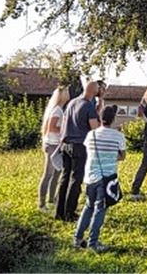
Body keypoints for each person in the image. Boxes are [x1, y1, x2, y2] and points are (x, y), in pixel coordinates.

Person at [74, 105, 126, 253]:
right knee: (100, 210)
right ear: (113, 119)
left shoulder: (91, 135)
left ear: (100, 118)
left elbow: (89, 151)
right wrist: (111, 155)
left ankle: (77, 239)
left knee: (88, 206)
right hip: (107, 178)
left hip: (90, 176)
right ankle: (93, 243)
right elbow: (122, 156)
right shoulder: (118, 136)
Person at [55, 79, 105, 222]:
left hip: (66, 144)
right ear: (95, 92)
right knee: (76, 180)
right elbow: (94, 128)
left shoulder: (72, 102)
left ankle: (59, 211)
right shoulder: (88, 106)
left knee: (64, 178)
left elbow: (64, 122)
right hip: (80, 146)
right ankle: (70, 212)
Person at [39, 86, 70, 211]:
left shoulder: (58, 109)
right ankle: (42, 203)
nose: (69, 94)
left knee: (57, 172)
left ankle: (52, 200)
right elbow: (52, 127)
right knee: (49, 173)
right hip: (52, 144)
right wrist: (64, 130)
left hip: (55, 144)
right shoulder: (57, 110)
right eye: (67, 92)